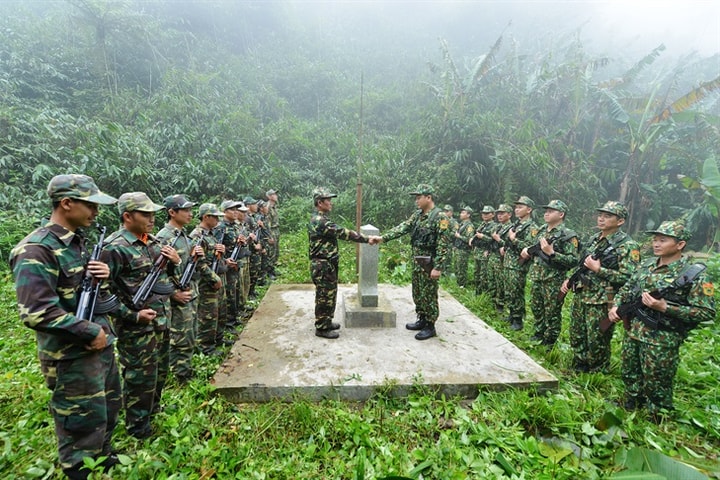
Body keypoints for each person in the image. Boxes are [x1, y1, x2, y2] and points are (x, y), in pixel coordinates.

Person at [9, 174, 121, 479]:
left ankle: (104, 458)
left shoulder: (79, 244)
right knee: (80, 425)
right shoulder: (35, 249)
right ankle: (79, 471)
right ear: (66, 203)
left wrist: (102, 276)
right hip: (70, 356)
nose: (95, 212)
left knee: (107, 409)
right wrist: (90, 331)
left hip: (99, 347)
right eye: (89, 205)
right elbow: (36, 312)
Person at [609, 221, 715, 419]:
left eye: (663, 240)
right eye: (655, 239)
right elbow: (626, 288)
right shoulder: (646, 264)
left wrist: (666, 308)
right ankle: (632, 400)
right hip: (634, 330)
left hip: (663, 337)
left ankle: (658, 414)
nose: (656, 244)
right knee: (630, 370)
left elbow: (706, 312)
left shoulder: (693, 274)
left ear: (680, 244)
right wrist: (616, 306)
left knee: (657, 378)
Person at [102, 192, 180, 440]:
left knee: (159, 372)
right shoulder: (114, 248)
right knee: (139, 378)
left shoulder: (153, 242)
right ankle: (138, 427)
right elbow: (102, 295)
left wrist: (175, 262)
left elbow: (167, 279)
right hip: (136, 328)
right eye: (145, 214)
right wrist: (132, 316)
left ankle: (153, 412)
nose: (151, 218)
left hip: (161, 319)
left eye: (153, 213)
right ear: (127, 216)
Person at [562, 201, 640, 373]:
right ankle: (580, 365)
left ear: (620, 221)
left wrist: (599, 270)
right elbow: (582, 263)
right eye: (600, 215)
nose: (601, 219)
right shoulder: (594, 239)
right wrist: (570, 279)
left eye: (607, 216)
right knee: (577, 332)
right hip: (582, 293)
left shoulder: (627, 246)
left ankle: (598, 372)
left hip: (603, 298)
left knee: (597, 338)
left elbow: (630, 278)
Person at [377, 184, 452, 340]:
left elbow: (443, 244)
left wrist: (438, 267)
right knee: (418, 292)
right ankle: (422, 318)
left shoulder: (440, 217)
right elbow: (404, 227)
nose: (416, 201)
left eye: (419, 198)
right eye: (416, 198)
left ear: (428, 197)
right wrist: (383, 238)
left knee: (429, 294)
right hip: (418, 261)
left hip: (430, 263)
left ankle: (430, 326)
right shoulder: (418, 215)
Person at [308, 187, 376, 339]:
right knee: (324, 296)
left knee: (329, 294)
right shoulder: (320, 221)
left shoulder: (320, 218)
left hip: (327, 264)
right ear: (320, 202)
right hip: (322, 264)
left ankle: (326, 321)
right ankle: (321, 327)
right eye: (328, 200)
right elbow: (343, 233)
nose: (331, 203)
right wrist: (366, 239)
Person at [156, 194, 201, 384]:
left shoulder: (183, 235)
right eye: (186, 210)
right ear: (172, 212)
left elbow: (186, 266)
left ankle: (185, 369)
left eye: (191, 210)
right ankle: (180, 375)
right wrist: (173, 294)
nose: (190, 214)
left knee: (189, 333)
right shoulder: (163, 238)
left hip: (189, 293)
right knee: (180, 337)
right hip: (177, 298)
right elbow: (156, 273)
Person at [522, 199, 579, 347]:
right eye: (546, 210)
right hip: (537, 276)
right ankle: (538, 333)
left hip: (553, 279)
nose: (546, 213)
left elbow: (573, 260)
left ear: (561, 214)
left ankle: (549, 341)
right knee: (536, 307)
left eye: (551, 211)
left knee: (552, 312)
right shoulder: (541, 230)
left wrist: (552, 253)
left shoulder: (568, 235)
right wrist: (527, 251)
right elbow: (531, 247)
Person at [189, 204, 225, 355]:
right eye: (215, 216)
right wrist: (213, 278)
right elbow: (198, 262)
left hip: (213, 276)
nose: (218, 219)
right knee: (207, 315)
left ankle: (216, 340)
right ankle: (206, 348)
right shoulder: (197, 235)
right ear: (206, 217)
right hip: (205, 281)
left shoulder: (209, 234)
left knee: (216, 311)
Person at [503, 196, 538, 330]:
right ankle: (512, 314)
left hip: (518, 264)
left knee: (516, 291)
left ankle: (518, 320)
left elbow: (530, 247)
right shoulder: (516, 224)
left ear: (529, 209)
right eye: (516, 207)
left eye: (520, 207)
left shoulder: (532, 227)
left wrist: (514, 239)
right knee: (509, 291)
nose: (517, 210)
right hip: (509, 262)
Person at [489, 204, 514, 312]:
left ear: (509, 215)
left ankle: (500, 304)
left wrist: (499, 239)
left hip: (502, 259)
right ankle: (492, 300)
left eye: (502, 213)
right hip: (493, 256)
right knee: (491, 279)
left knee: (501, 282)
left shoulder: (512, 228)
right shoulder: (497, 226)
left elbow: (510, 246)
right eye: (498, 213)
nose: (499, 215)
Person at [471, 205, 497, 295]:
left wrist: (483, 237)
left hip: (485, 251)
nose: (485, 215)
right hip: (478, 251)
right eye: (483, 213)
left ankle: (484, 294)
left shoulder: (494, 226)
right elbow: (477, 234)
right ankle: (477, 292)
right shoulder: (482, 224)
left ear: (493, 214)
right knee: (476, 272)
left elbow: (493, 240)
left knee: (484, 274)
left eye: (487, 213)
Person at [453, 207, 475, 287]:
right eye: (461, 212)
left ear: (468, 215)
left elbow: (469, 239)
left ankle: (462, 285)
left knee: (462, 268)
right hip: (458, 248)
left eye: (463, 213)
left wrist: (459, 236)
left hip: (463, 250)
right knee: (457, 267)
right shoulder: (462, 224)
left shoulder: (469, 226)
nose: (461, 214)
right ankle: (458, 283)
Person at [265, 189, 280, 278]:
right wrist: (269, 236)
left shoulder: (274, 206)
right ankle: (269, 271)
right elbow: (267, 223)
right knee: (271, 251)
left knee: (276, 250)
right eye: (274, 194)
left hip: (276, 230)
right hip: (272, 231)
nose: (276, 196)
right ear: (269, 196)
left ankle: (273, 268)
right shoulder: (268, 207)